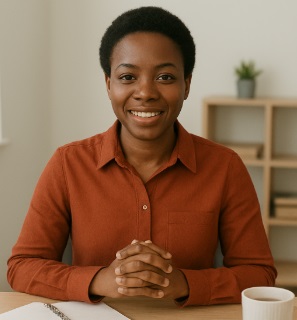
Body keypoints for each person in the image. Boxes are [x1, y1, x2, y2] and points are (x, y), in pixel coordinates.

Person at [7, 6, 277, 307]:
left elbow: (260, 274)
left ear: (186, 85)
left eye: (164, 77)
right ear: (108, 84)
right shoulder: (67, 164)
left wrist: (184, 283)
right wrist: (100, 280)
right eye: (128, 77)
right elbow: (22, 266)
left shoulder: (225, 167)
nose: (145, 92)